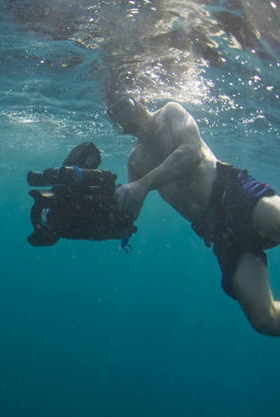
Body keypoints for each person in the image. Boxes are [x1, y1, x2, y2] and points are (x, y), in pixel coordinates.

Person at [107, 95, 280, 336]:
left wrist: (142, 185)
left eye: (125, 105)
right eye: (114, 113)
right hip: (219, 229)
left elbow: (191, 154)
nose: (123, 115)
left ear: (142, 100)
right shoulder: (136, 160)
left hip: (231, 192)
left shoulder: (170, 112)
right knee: (265, 319)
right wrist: (104, 202)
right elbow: (130, 210)